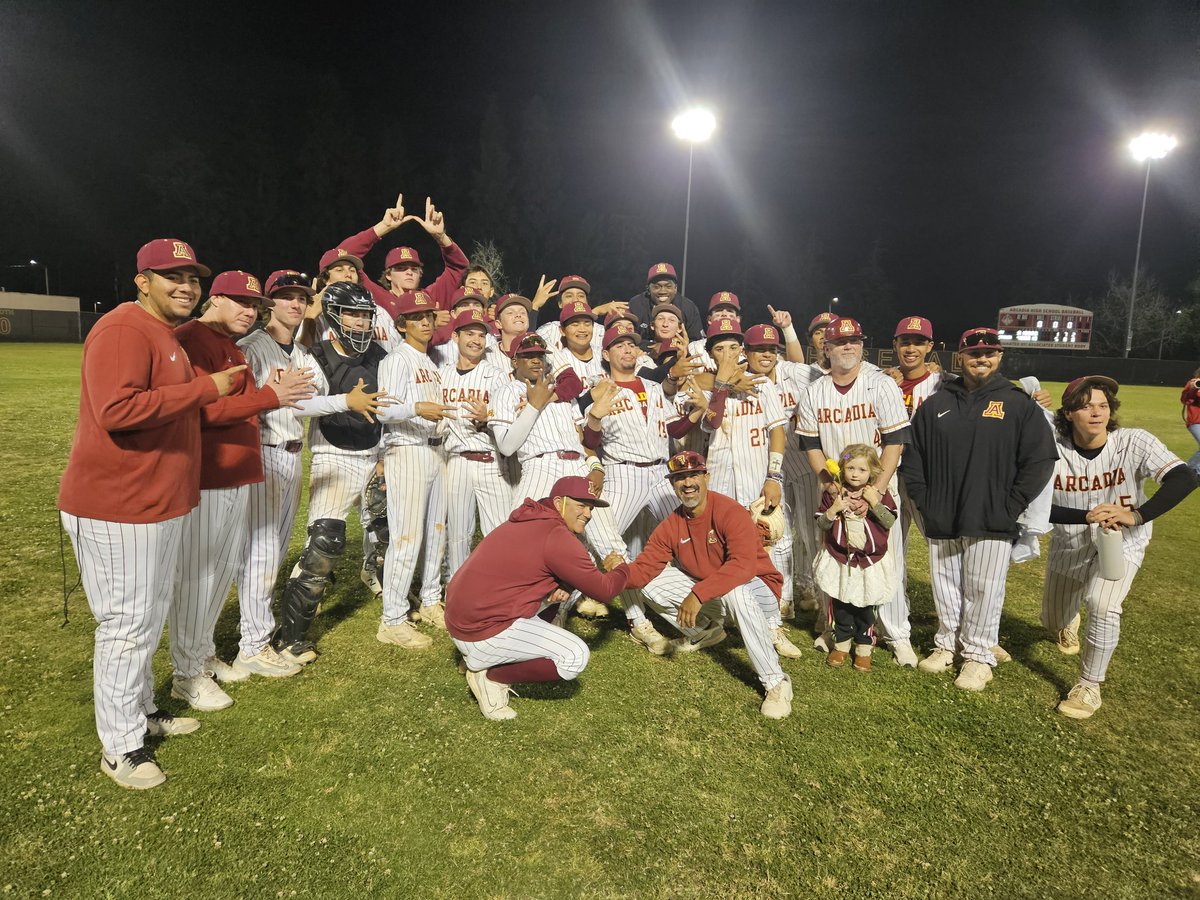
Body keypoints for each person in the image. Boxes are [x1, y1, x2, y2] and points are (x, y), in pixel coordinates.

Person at [58, 238, 245, 789]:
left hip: (155, 503)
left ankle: (139, 713)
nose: (185, 286)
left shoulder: (161, 333)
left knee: (145, 618)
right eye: (171, 276)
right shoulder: (123, 328)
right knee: (126, 626)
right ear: (142, 280)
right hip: (120, 505)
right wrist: (204, 389)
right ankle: (119, 746)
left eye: (192, 278)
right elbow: (116, 410)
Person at [169, 271, 316, 711]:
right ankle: (187, 675)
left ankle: (202, 655)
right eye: (237, 301)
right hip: (210, 474)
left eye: (253, 303)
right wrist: (269, 398)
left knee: (218, 571)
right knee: (201, 575)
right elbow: (195, 410)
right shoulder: (193, 338)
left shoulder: (227, 344)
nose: (248, 310)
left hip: (236, 469)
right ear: (213, 299)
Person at [235, 270, 387, 678]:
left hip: (291, 453)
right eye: (286, 297)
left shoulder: (300, 356)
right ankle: (258, 641)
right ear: (270, 303)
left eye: (301, 298)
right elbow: (300, 405)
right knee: (265, 552)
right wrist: (346, 402)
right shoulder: (253, 347)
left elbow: (306, 403)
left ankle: (258, 637)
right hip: (264, 452)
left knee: (273, 552)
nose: (295, 304)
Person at [900, 327, 1057, 691]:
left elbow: (1040, 458)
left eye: (989, 353)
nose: (981, 358)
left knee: (983, 587)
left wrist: (1013, 503)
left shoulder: (1017, 403)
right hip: (942, 512)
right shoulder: (936, 404)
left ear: (999, 357)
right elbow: (914, 456)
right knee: (947, 585)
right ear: (961, 357)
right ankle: (946, 643)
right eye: (974, 353)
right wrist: (924, 499)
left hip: (991, 514)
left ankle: (978, 655)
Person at [1041, 376, 1197, 718]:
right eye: (1085, 406)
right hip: (1070, 542)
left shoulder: (1133, 441)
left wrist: (1137, 515)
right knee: (1051, 619)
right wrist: (1087, 514)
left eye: (1102, 405)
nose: (1096, 413)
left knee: (1104, 603)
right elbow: (1033, 504)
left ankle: (1089, 685)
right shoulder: (1051, 447)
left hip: (1123, 542)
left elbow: (1185, 476)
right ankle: (1068, 622)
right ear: (1068, 414)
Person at [619, 451, 794, 718]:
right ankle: (706, 631)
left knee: (735, 591)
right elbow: (643, 569)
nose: (687, 483)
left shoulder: (729, 510)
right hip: (717, 590)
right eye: (679, 478)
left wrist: (698, 594)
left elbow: (743, 566)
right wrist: (606, 577)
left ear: (706, 477)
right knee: (647, 582)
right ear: (672, 484)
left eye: (693, 475)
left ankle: (776, 682)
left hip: (759, 590)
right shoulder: (672, 524)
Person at [271, 282, 392, 663]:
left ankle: (389, 597)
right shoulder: (315, 355)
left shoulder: (381, 354)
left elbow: (389, 407)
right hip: (333, 452)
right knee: (326, 542)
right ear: (334, 316)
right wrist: (346, 401)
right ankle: (290, 637)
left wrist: (386, 454)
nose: (358, 323)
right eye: (351, 314)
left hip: (374, 451)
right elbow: (298, 405)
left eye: (364, 315)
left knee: (387, 531)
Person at [445, 476, 630, 720]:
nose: (588, 513)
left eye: (591, 507)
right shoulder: (558, 537)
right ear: (558, 502)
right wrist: (621, 568)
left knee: (560, 590)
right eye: (581, 505)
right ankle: (490, 675)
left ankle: (478, 656)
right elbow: (605, 590)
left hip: (461, 617)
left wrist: (560, 583)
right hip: (480, 631)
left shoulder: (531, 517)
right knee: (574, 657)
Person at [796, 316, 917, 666]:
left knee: (886, 562)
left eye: (855, 341)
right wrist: (828, 486)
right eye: (840, 342)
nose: (848, 346)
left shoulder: (881, 385)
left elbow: (895, 443)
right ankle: (838, 631)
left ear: (862, 345)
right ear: (826, 348)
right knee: (837, 560)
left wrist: (875, 492)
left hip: (877, 489)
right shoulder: (815, 391)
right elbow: (811, 444)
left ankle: (897, 634)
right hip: (837, 490)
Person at [375, 290, 457, 642]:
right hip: (407, 449)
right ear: (402, 324)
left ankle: (429, 600)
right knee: (407, 537)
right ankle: (392, 620)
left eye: (428, 316)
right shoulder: (397, 360)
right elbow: (383, 410)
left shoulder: (431, 363)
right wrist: (415, 408)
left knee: (436, 533)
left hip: (436, 452)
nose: (425, 322)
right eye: (416, 317)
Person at [438, 308, 514, 581]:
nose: (476, 340)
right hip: (456, 461)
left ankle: (503, 588)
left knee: (501, 531)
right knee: (458, 532)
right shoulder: (441, 374)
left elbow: (511, 419)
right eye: (469, 333)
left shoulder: (496, 376)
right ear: (455, 336)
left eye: (481, 335)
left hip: (490, 460)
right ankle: (456, 586)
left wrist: (489, 417)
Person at [814, 444, 898, 673]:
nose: (855, 474)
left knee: (864, 605)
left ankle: (863, 647)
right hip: (841, 558)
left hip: (869, 559)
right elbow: (822, 523)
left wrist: (875, 502)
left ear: (872, 472)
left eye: (861, 470)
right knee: (841, 602)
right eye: (850, 467)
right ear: (842, 469)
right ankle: (841, 643)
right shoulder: (834, 493)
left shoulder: (878, 493)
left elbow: (889, 522)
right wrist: (834, 509)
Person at [626, 262, 704, 345]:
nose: (663, 291)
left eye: (668, 286)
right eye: (657, 287)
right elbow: (627, 338)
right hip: (643, 353)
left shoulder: (688, 307)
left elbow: (697, 342)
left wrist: (669, 346)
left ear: (675, 288)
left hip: (677, 352)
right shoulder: (636, 304)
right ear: (648, 289)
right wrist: (652, 347)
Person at [1179, 369, 1200, 475]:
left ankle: (1194, 471)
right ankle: (1189, 470)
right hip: (1196, 421)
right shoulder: (1194, 383)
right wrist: (1192, 389)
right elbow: (1185, 400)